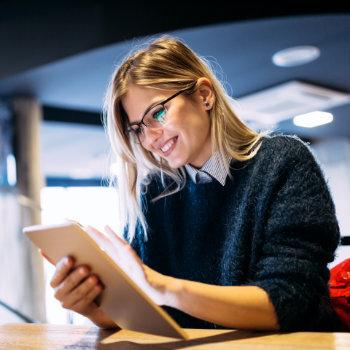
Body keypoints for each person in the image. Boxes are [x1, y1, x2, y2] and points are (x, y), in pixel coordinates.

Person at [49, 36, 344, 332]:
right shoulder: (155, 192)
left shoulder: (282, 162)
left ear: (204, 95)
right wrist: (91, 307)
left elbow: (292, 302)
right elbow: (144, 315)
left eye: (157, 114)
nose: (150, 139)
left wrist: (165, 288)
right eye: (137, 129)